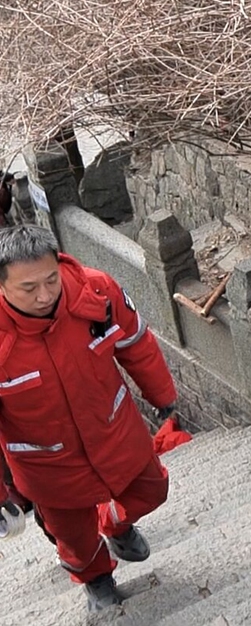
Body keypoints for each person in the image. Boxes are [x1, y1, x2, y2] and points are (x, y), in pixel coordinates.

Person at [0, 225, 178, 612]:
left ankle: (114, 524)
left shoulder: (96, 293)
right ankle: (97, 580)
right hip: (48, 466)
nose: (46, 295)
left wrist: (163, 395)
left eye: (51, 280)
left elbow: (136, 344)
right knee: (76, 541)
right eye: (29, 289)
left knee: (153, 490)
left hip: (116, 434)